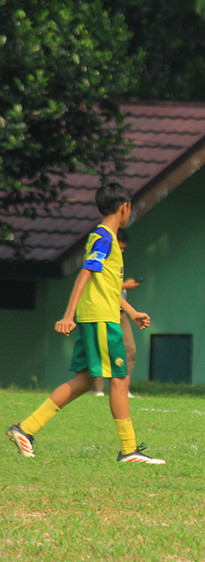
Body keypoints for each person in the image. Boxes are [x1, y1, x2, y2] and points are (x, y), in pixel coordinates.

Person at [7, 182, 163, 464]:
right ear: (124, 207)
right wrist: (67, 315)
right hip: (101, 319)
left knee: (85, 380)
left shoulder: (106, 238)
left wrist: (132, 311)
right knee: (120, 379)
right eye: (131, 207)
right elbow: (84, 276)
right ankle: (128, 450)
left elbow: (108, 286)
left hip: (97, 315)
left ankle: (25, 429)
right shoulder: (105, 238)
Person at [93, 228, 140, 398]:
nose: (121, 251)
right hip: (104, 311)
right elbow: (102, 284)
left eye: (123, 249)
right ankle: (98, 390)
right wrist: (125, 286)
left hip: (121, 312)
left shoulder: (117, 261)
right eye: (119, 247)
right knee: (102, 350)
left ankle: (123, 388)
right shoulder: (101, 257)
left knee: (129, 349)